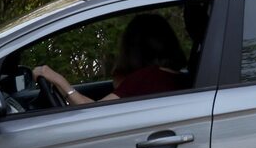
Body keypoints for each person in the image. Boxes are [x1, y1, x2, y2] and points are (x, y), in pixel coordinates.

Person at [34, 14, 188, 105]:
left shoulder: (147, 77)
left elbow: (96, 112)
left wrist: (57, 79)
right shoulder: (176, 78)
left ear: (133, 47)